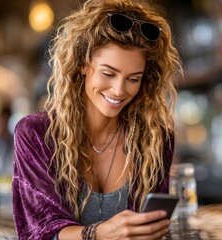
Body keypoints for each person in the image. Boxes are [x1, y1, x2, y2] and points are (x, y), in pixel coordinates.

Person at [12, 0, 182, 239]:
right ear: (83, 63)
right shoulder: (36, 134)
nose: (119, 90)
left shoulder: (155, 139)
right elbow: (37, 232)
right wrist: (99, 233)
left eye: (133, 78)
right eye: (108, 74)